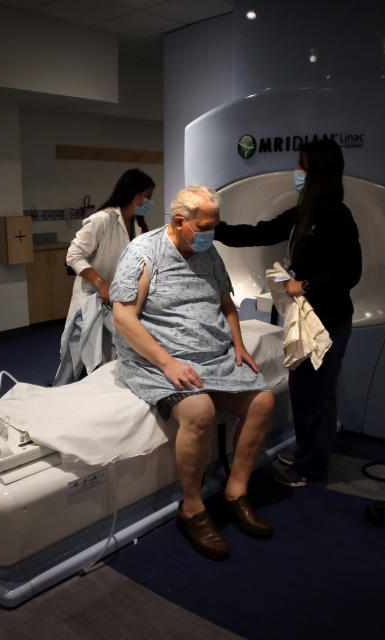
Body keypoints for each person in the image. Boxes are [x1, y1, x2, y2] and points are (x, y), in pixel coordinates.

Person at [110, 185, 275, 560]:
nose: (211, 233)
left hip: (213, 354)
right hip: (157, 358)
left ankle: (236, 492)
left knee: (262, 401)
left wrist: (238, 344)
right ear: (180, 222)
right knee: (200, 411)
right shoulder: (143, 253)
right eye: (205, 226)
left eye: (214, 226)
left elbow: (227, 305)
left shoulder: (207, 251)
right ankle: (192, 508)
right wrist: (168, 362)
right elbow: (123, 318)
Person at [213, 137, 362, 488]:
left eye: (301, 165)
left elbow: (350, 272)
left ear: (316, 170)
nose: (296, 171)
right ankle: (305, 452)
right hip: (302, 318)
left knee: (318, 394)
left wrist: (305, 285)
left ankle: (314, 470)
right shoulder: (304, 211)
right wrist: (212, 228)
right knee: (302, 390)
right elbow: (260, 233)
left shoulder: (337, 215)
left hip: (327, 320)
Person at [53, 169, 155, 386]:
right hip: (90, 299)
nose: (149, 203)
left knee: (107, 360)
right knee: (75, 359)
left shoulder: (137, 226)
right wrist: (101, 283)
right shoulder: (102, 220)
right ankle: (58, 393)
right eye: (148, 197)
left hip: (115, 301)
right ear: (135, 195)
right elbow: (73, 255)